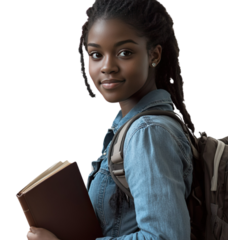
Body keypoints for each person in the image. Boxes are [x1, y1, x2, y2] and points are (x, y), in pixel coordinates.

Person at [27, 0, 196, 239]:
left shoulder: (147, 132)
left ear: (154, 55)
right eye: (96, 54)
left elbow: (164, 237)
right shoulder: (129, 125)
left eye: (124, 53)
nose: (107, 67)